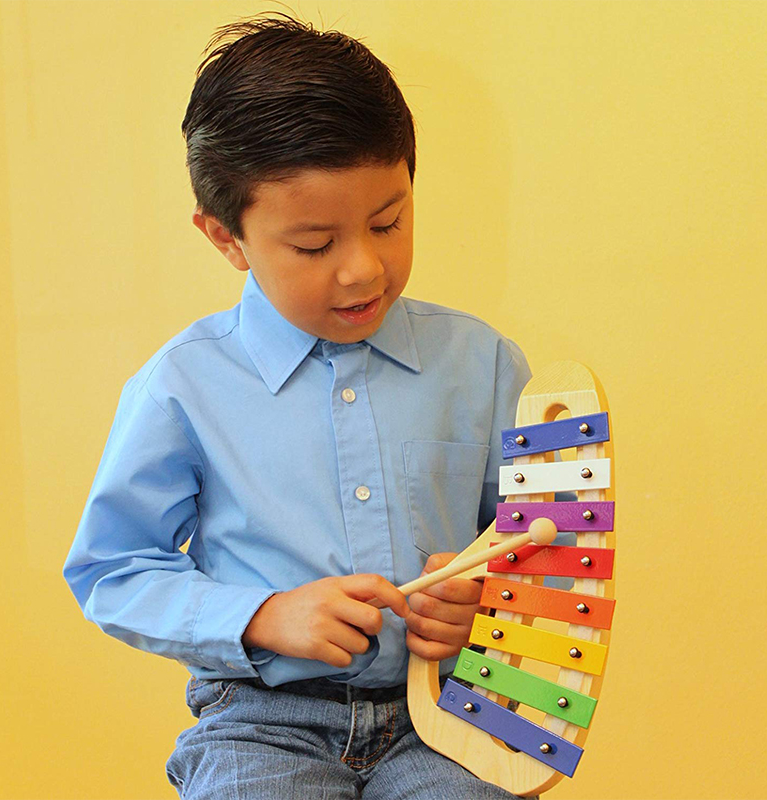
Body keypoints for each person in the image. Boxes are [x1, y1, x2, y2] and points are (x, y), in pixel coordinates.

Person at [63, 10, 544, 799]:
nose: (363, 270)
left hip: (451, 710)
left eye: (388, 222)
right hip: (259, 717)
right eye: (315, 246)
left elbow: (536, 552)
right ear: (226, 238)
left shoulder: (484, 364)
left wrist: (485, 603)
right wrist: (261, 616)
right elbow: (112, 570)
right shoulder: (183, 385)